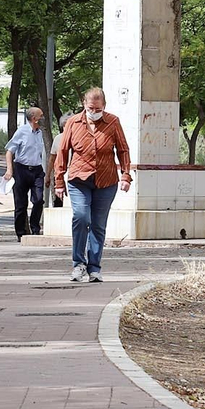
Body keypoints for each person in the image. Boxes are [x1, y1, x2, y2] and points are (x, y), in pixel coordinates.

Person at [53, 87, 132, 283]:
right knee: (81, 217)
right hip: (79, 179)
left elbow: (123, 149)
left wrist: (126, 175)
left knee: (98, 224)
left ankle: (94, 267)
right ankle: (78, 264)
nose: (94, 112)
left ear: (104, 106)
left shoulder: (112, 122)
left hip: (106, 181)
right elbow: (62, 152)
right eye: (91, 108)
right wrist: (59, 181)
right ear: (84, 105)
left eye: (98, 108)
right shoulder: (73, 123)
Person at [3, 107, 47, 239]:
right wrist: (10, 169)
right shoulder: (22, 131)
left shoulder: (39, 132)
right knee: (21, 204)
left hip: (37, 170)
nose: (43, 118)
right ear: (34, 118)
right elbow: (9, 151)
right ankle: (21, 233)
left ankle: (35, 229)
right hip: (21, 169)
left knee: (39, 200)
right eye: (41, 116)